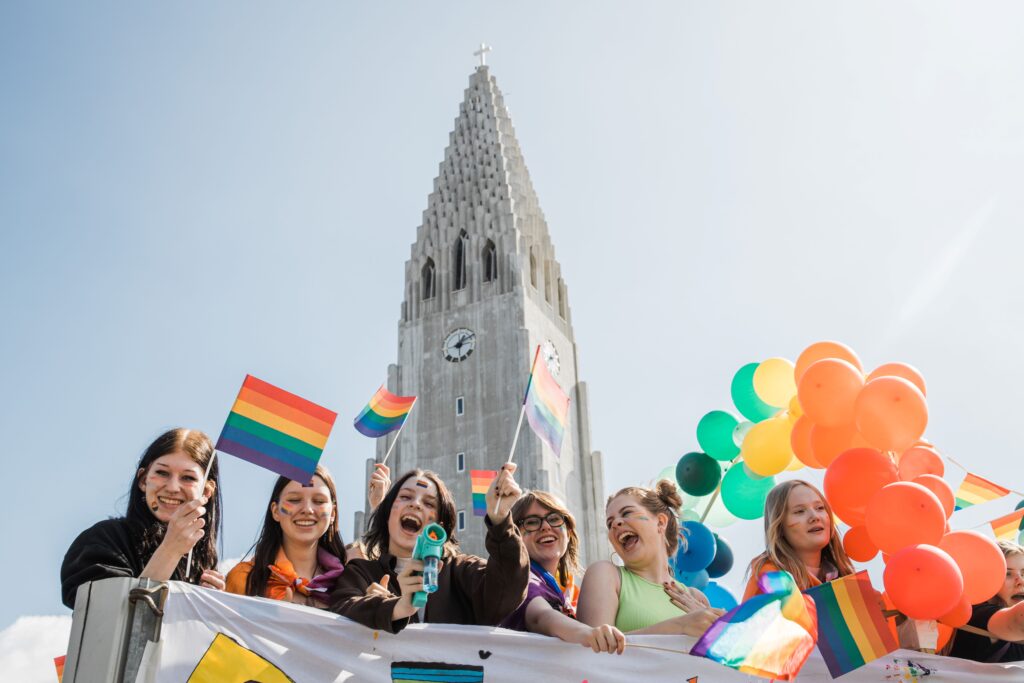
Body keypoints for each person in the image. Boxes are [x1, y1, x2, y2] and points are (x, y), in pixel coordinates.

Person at [330, 464, 529, 633]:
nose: (416, 505)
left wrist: (501, 519)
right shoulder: (362, 572)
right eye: (406, 497)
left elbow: (506, 593)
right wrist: (396, 608)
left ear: (440, 526)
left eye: (428, 503)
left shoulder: (462, 570)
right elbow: (337, 613)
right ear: (388, 512)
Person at [61, 428, 224, 608]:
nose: (172, 487)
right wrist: (170, 550)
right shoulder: (103, 540)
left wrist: (208, 605)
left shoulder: (201, 564)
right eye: (162, 473)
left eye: (188, 477)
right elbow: (111, 616)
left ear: (207, 492)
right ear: (143, 480)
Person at [577, 481, 722, 636]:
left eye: (626, 513)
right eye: (609, 523)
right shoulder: (606, 575)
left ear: (660, 522)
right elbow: (592, 652)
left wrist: (716, 631)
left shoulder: (696, 598)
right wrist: (679, 627)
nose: (615, 524)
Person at [500, 491, 625, 655]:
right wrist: (588, 633)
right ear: (515, 534)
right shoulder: (518, 576)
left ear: (569, 532)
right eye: (531, 522)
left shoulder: (561, 590)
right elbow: (539, 616)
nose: (546, 526)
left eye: (554, 519)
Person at [225, 465, 347, 606]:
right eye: (294, 500)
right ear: (275, 511)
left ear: (333, 513)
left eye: (319, 501)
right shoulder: (245, 577)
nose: (307, 509)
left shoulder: (349, 581)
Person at [742, 480, 854, 600]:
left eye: (820, 508)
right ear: (780, 527)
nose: (815, 517)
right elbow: (750, 618)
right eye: (800, 511)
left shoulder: (846, 578)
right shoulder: (770, 578)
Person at [948, 540, 1024, 663]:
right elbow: (1016, 621)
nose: (1020, 581)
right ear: (987, 580)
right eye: (1008, 574)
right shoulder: (972, 612)